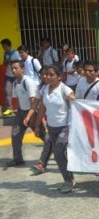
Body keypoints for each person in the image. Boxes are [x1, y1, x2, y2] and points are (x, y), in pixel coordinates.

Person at [33, 65, 76, 193]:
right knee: (61, 154)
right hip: (51, 128)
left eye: (51, 75)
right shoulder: (44, 90)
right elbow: (42, 109)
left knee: (58, 153)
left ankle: (68, 181)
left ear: (59, 76)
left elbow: (77, 104)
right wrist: (36, 125)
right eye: (46, 75)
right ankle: (69, 177)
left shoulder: (65, 90)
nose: (48, 77)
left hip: (65, 127)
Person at [6, 60, 38, 167]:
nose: (14, 70)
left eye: (16, 68)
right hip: (21, 112)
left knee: (42, 135)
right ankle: (18, 160)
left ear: (22, 69)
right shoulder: (15, 82)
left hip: (32, 112)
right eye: (12, 69)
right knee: (15, 135)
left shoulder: (28, 82)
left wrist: (29, 116)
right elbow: (17, 99)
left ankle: (57, 152)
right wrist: (18, 112)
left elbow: (33, 102)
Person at [2, 38, 21, 116]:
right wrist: (6, 62)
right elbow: (5, 63)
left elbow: (20, 63)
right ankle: (9, 108)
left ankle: (21, 108)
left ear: (10, 46)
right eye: (3, 47)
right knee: (7, 91)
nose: (4, 48)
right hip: (8, 75)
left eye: (5, 46)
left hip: (16, 75)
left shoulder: (15, 53)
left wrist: (11, 62)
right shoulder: (5, 54)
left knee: (19, 92)